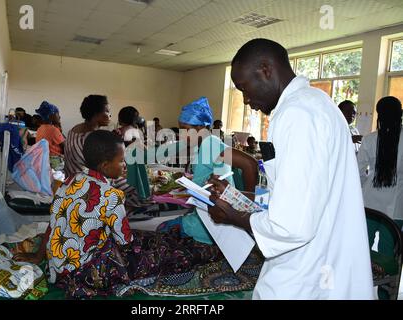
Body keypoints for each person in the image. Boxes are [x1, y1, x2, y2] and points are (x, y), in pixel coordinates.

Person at [206, 38, 374, 299]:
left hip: (310, 271)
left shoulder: (298, 113)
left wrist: (232, 216)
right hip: (320, 257)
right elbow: (297, 196)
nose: (246, 99)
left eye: (244, 88)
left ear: (265, 69)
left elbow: (291, 226)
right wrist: (238, 198)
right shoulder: (313, 102)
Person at [15, 130, 222, 299]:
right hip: (89, 272)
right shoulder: (111, 195)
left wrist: (38, 256)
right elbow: (125, 241)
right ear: (105, 165)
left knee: (151, 238)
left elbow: (53, 225)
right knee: (165, 253)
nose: (124, 166)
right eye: (121, 161)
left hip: (60, 267)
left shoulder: (69, 181)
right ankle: (209, 252)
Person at [156, 97, 258, 245]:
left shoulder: (212, 144)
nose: (182, 135)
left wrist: (247, 207)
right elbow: (208, 173)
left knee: (163, 229)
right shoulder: (202, 145)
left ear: (200, 128)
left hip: (213, 219)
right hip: (206, 213)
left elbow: (249, 164)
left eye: (185, 130)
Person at [357, 96, 403, 226]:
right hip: (397, 207)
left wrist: (368, 181)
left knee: (363, 244)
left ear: (379, 115)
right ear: (400, 114)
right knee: (389, 246)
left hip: (369, 202)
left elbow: (357, 172)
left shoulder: (369, 139)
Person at [64, 95, 111, 178]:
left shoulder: (74, 130)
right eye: (107, 111)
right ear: (96, 113)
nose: (109, 115)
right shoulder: (94, 137)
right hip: (85, 184)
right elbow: (104, 170)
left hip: (70, 180)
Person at [35, 101, 65, 170]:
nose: (59, 116)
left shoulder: (40, 128)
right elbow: (64, 146)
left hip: (42, 159)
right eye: (58, 114)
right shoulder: (53, 130)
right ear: (51, 115)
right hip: (54, 161)